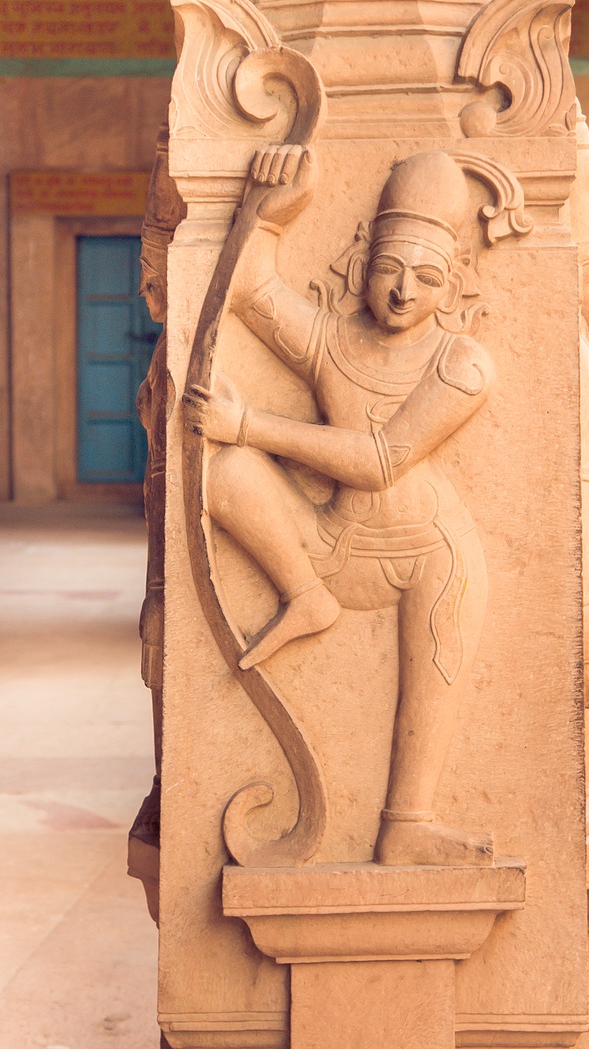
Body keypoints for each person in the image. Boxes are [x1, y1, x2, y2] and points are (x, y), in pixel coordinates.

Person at [184, 146, 494, 866]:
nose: (401, 292)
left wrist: (252, 424)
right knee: (223, 473)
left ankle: (407, 824)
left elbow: (382, 461)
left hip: (431, 557)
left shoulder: (462, 363)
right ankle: (305, 595)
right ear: (362, 267)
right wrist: (271, 209)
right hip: (335, 546)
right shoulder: (333, 341)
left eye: (425, 277)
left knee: (432, 692)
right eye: (389, 270)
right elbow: (251, 290)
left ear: (451, 287)